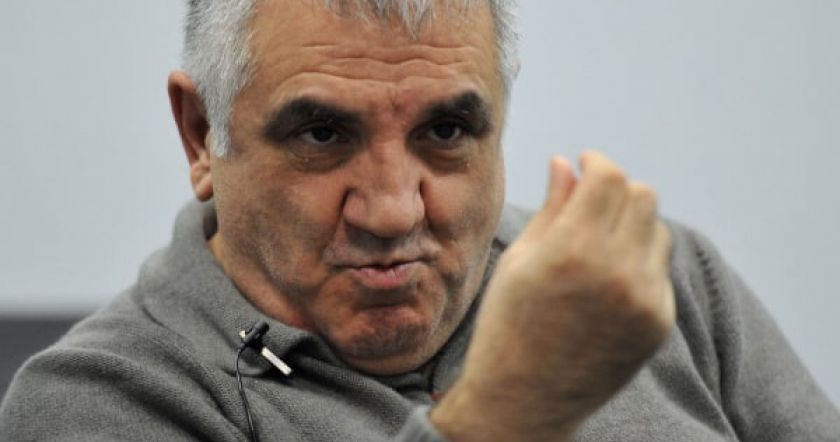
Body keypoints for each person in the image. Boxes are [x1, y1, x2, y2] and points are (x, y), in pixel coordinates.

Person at [2, 0, 838, 440]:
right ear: (200, 136)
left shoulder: (649, 283)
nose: (394, 209)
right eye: (322, 135)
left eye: (445, 131)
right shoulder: (95, 404)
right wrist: (513, 410)